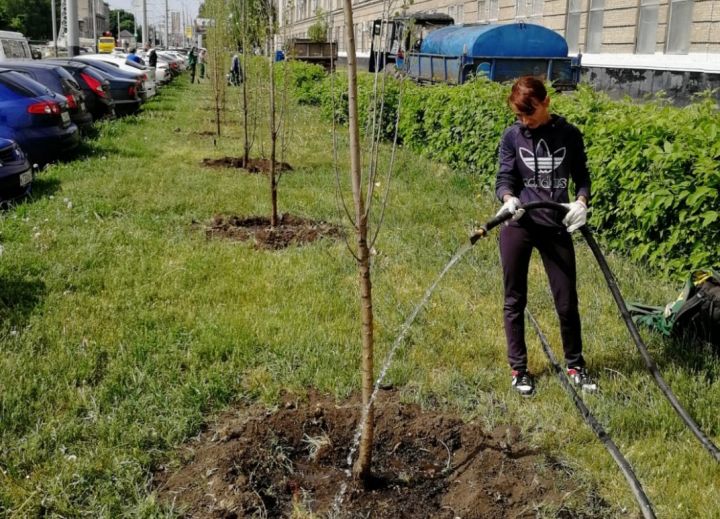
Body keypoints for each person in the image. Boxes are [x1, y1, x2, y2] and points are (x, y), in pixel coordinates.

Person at [494, 76, 597, 397]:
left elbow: (582, 177)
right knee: (515, 299)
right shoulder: (513, 136)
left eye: (530, 113)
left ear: (546, 102)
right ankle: (519, 369)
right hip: (520, 225)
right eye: (520, 115)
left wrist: (581, 202)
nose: (525, 120)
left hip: (556, 225)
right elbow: (504, 177)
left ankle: (575, 365)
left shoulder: (569, 134)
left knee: (566, 301)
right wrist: (508, 198)